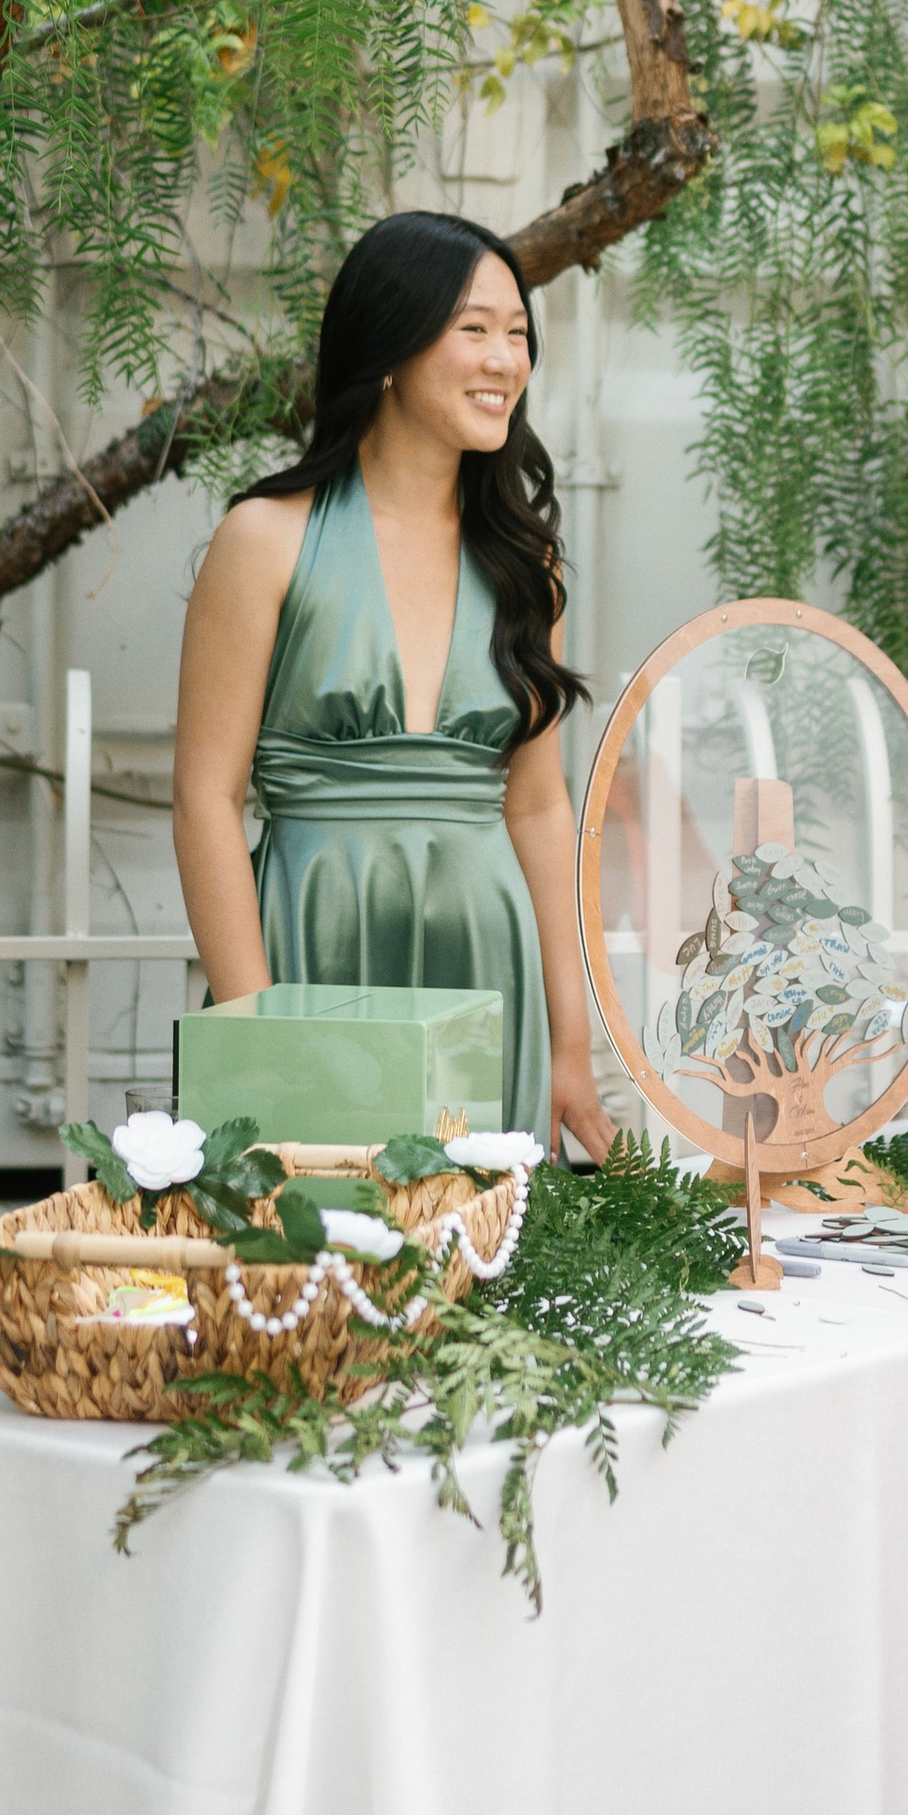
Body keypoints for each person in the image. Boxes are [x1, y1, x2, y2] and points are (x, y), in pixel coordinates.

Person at [172, 210, 616, 1162]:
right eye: (474, 329)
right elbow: (205, 797)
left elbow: (538, 812)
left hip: (488, 968)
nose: (506, 359)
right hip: (308, 946)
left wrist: (571, 1041)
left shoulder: (527, 568)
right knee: (300, 1278)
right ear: (389, 345)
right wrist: (258, 1036)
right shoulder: (264, 539)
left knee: (480, 1278)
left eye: (519, 334)